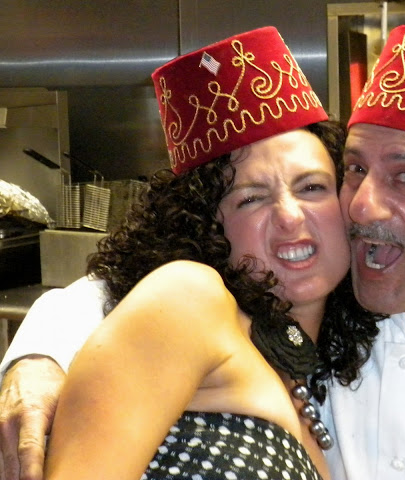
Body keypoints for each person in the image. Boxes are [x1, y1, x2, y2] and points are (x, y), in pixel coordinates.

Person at [3, 24, 405, 480]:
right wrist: (36, 357)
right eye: (355, 170)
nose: (363, 206)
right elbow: (127, 303)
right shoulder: (339, 301)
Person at [6, 26, 381, 480]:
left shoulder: (315, 370)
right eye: (251, 198)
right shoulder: (191, 300)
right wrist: (36, 356)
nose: (289, 216)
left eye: (312, 187)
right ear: (204, 226)